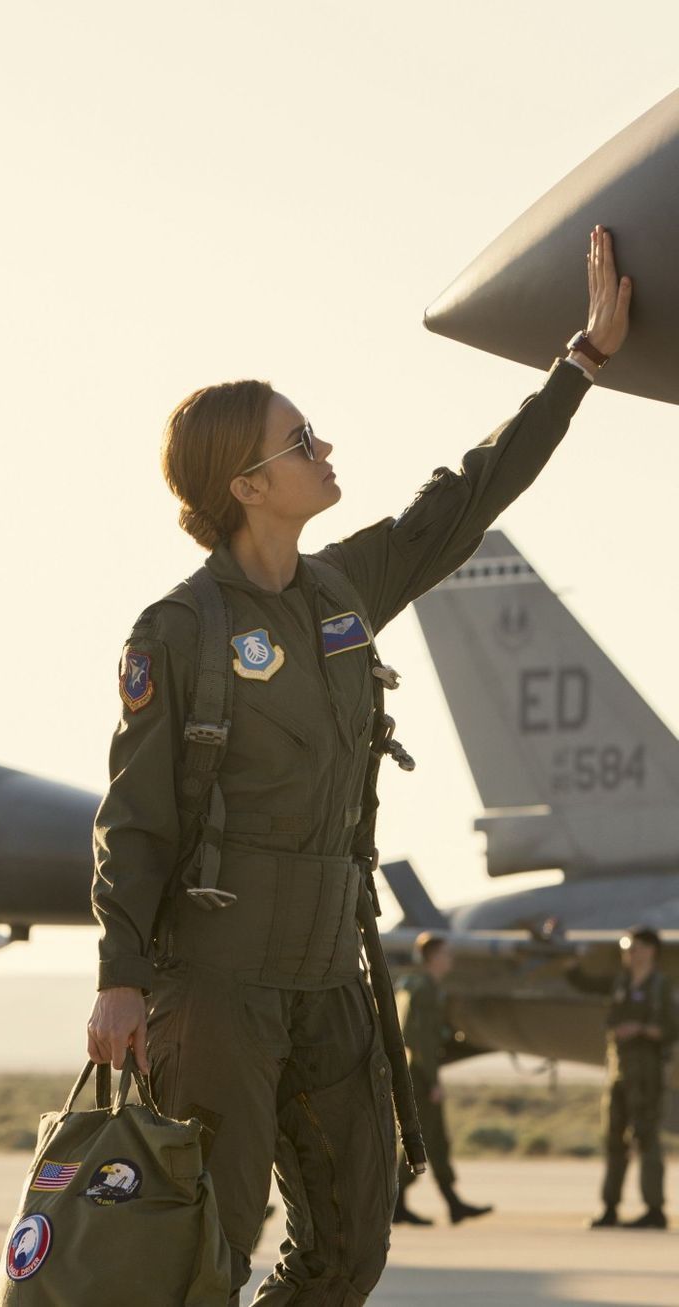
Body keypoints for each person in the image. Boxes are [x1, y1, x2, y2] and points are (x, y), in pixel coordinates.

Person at [87, 226, 631, 1305]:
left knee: (347, 1247)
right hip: (222, 977)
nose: (325, 450)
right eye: (302, 442)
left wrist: (580, 366)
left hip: (334, 971)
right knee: (207, 1246)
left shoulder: (343, 592)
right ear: (247, 485)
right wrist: (117, 972)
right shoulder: (178, 631)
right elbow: (135, 814)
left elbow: (466, 498)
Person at [566, 926, 677, 1230]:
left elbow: (671, 1027)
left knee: (646, 1139)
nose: (629, 954)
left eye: (635, 948)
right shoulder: (621, 981)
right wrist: (570, 962)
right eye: (627, 948)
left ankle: (654, 1210)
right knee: (614, 1139)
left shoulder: (660, 986)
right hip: (619, 1071)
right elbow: (585, 984)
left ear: (651, 950)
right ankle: (610, 1207)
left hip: (647, 1073)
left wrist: (642, 1030)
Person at [392, 933, 492, 1226]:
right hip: (420, 1076)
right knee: (421, 1139)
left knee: (431, 1140)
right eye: (446, 954)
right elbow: (417, 1038)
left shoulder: (426, 987)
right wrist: (432, 1079)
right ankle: (400, 1203)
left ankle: (450, 1203)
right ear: (433, 957)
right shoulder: (422, 989)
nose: (450, 959)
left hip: (420, 1073)